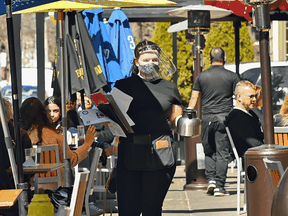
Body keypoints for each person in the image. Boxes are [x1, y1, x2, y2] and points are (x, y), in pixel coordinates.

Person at [113, 40, 182, 216]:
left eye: (154, 59)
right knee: (129, 209)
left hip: (162, 150)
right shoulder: (123, 85)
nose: (150, 63)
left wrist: (185, 121)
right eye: (146, 60)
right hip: (131, 151)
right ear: (136, 62)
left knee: (152, 208)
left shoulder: (169, 87)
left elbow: (176, 118)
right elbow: (113, 116)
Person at [188, 47, 240, 197]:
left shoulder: (201, 76)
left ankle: (210, 180)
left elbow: (194, 98)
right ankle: (220, 186)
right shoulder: (232, 76)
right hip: (225, 119)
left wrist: (189, 112)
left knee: (209, 150)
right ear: (225, 58)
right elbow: (239, 96)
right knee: (222, 153)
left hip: (207, 119)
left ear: (210, 60)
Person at [20, 97, 97, 190]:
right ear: (43, 114)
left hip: (26, 187)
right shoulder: (55, 135)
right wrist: (87, 144)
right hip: (54, 189)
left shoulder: (19, 135)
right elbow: (70, 161)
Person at [225, 80, 264, 165]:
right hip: (253, 161)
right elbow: (254, 143)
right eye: (251, 96)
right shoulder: (237, 117)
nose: (254, 99)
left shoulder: (249, 113)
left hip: (257, 156)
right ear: (239, 97)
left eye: (255, 96)